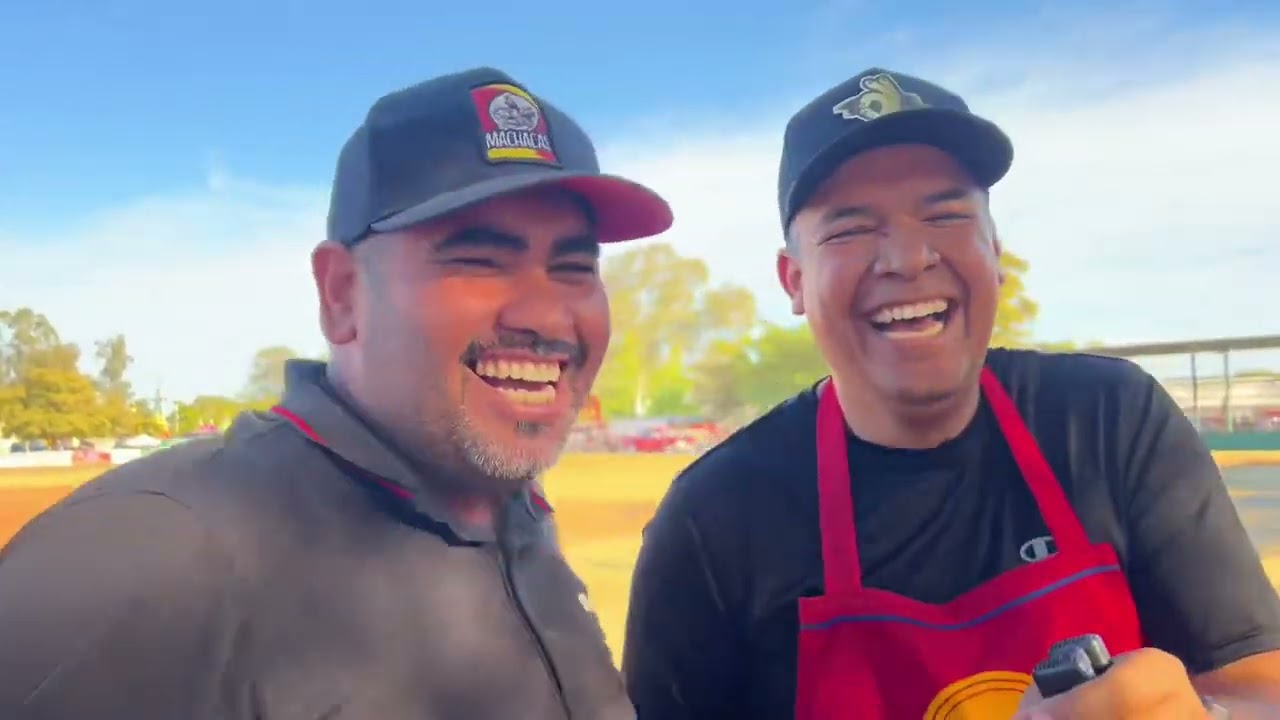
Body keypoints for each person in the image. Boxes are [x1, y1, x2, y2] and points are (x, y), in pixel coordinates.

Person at [0, 67, 672, 719]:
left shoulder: (512, 508)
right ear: (341, 294)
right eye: (479, 259)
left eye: (574, 266)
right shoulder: (150, 558)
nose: (549, 318)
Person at [621, 67, 1280, 719]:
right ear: (794, 280)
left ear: (993, 250)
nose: (908, 258)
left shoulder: (1109, 421)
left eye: (945, 215)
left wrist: (1208, 715)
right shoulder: (713, 519)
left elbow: (1260, 686)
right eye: (850, 229)